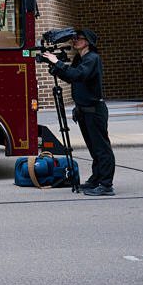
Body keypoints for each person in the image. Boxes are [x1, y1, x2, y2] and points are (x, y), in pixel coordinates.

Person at [42, 29, 116, 196]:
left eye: (78, 39)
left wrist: (58, 63)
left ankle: (106, 184)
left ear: (87, 42)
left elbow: (79, 75)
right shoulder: (79, 59)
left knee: (101, 149)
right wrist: (56, 66)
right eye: (74, 39)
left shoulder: (92, 59)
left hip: (94, 110)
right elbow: (71, 77)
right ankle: (96, 179)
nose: (74, 41)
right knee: (93, 149)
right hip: (83, 110)